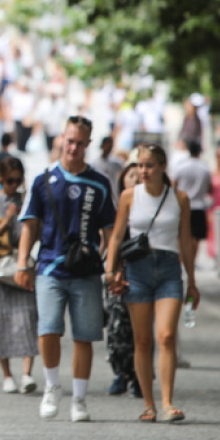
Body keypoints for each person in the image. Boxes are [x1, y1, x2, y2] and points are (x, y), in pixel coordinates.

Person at [16, 117, 115, 422]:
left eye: (80, 142)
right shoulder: (44, 179)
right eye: (69, 141)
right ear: (62, 139)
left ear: (88, 144)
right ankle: (52, 386)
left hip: (86, 272)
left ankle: (80, 399)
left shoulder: (99, 183)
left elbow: (111, 231)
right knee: (48, 329)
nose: (73, 147)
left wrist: (111, 265)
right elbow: (30, 225)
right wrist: (23, 263)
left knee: (85, 336)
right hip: (50, 267)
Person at [105, 144, 199, 423]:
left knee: (167, 336)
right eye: (139, 166)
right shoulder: (128, 197)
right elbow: (116, 236)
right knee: (142, 341)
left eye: (148, 166)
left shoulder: (179, 198)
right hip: (138, 270)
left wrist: (192, 282)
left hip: (169, 269)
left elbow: (185, 241)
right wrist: (111, 272)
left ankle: (168, 402)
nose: (143, 171)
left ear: (162, 167)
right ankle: (149, 404)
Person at [0, 156, 38, 393]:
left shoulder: (29, 202)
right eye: (9, 181)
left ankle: (27, 374)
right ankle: (7, 375)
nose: (13, 186)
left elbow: (37, 233)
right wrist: (6, 221)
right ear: (1, 179)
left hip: (21, 264)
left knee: (27, 318)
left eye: (17, 180)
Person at [104, 163, 141, 398]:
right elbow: (108, 240)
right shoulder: (116, 210)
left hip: (142, 274)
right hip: (118, 273)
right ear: (123, 181)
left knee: (141, 329)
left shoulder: (151, 210)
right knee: (117, 327)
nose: (137, 179)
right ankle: (120, 373)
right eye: (132, 176)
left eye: (140, 175)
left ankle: (139, 376)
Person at [172, 140, 211, 265]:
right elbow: (209, 188)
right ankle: (192, 262)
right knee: (196, 237)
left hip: (182, 206)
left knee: (182, 236)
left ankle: (181, 259)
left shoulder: (181, 167)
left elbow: (174, 185)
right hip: (199, 205)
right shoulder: (204, 168)